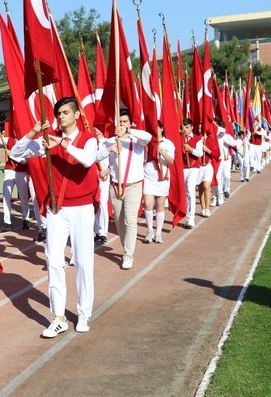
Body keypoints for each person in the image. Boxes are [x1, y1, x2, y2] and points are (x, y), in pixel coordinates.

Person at [11, 97, 98, 338]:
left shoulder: (88, 140)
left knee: (82, 261)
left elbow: (88, 159)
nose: (61, 117)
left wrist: (62, 143)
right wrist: (33, 132)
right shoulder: (47, 140)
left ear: (77, 115)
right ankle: (58, 316)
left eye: (66, 112)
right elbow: (16, 154)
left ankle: (83, 313)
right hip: (57, 209)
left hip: (82, 208)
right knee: (54, 260)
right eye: (58, 113)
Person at [97, 110, 152, 270]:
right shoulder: (109, 142)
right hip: (115, 187)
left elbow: (148, 137)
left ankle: (128, 255)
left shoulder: (137, 140)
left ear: (130, 124)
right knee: (120, 222)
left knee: (130, 220)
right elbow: (98, 156)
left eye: (124, 122)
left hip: (133, 185)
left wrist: (128, 132)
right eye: (119, 122)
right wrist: (109, 153)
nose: (121, 125)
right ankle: (126, 246)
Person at [143, 121, 175, 244]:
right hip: (148, 178)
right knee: (147, 204)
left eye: (157, 128)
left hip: (162, 178)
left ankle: (158, 233)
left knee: (160, 205)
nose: (155, 130)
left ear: (162, 128)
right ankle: (150, 230)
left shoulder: (168, 143)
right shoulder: (148, 142)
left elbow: (171, 160)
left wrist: (162, 152)